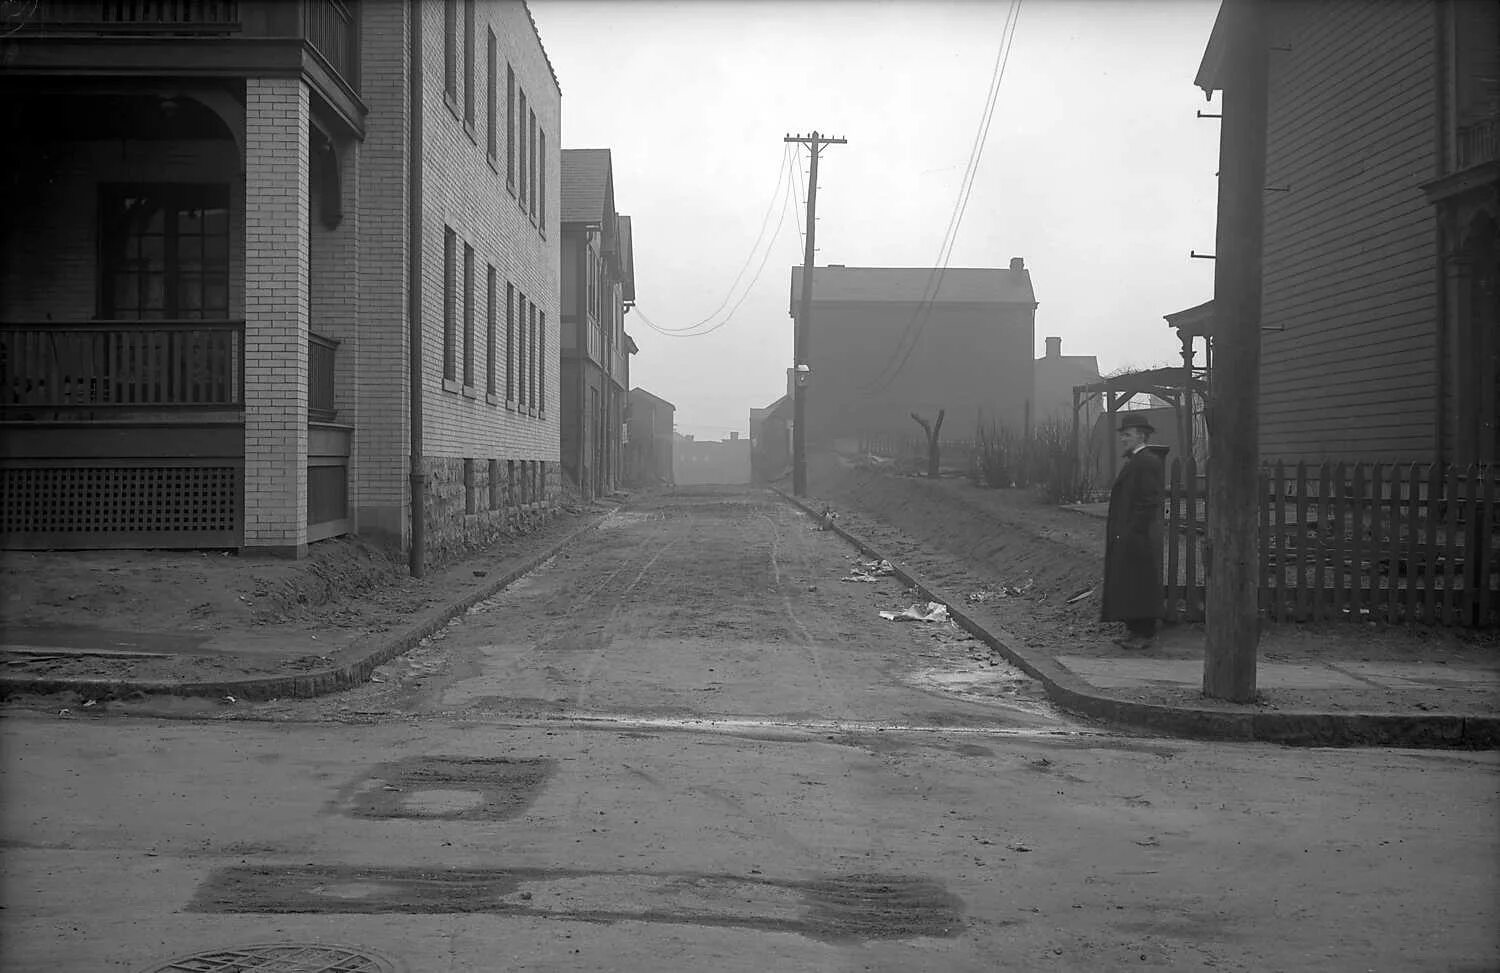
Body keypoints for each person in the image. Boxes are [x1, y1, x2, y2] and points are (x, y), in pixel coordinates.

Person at [1101, 413, 1169, 649]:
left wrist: (1133, 530)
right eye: (1122, 435)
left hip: (1139, 536)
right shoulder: (1136, 462)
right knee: (1129, 582)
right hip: (1130, 533)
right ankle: (1133, 630)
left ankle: (1145, 633)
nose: (1123, 439)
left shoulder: (1147, 462)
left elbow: (1149, 500)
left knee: (1140, 583)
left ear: (1141, 435)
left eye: (1127, 435)